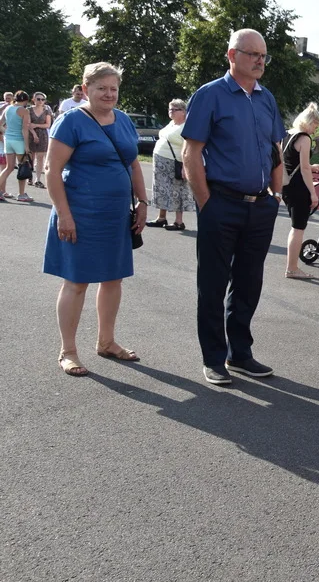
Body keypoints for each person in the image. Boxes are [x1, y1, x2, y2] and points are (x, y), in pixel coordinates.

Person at [181, 28, 287, 386]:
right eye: (252, 54)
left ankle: (240, 354)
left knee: (248, 284)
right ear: (232, 55)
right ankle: (214, 358)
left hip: (259, 207)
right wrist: (205, 202)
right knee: (212, 283)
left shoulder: (266, 98)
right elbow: (190, 152)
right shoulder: (210, 95)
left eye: (263, 56)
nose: (260, 61)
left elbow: (275, 151)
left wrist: (276, 195)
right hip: (221, 203)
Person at [43, 62, 149, 377]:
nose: (108, 94)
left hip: (115, 216)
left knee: (113, 279)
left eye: (113, 88)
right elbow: (51, 170)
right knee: (76, 282)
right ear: (86, 88)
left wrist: (142, 202)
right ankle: (68, 351)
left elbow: (133, 164)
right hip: (79, 214)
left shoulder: (125, 120)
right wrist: (64, 214)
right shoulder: (71, 122)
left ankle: (106, 341)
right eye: (101, 88)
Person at [281, 102, 319, 279]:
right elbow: (304, 169)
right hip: (299, 188)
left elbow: (292, 162)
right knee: (298, 228)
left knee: (296, 227)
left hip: (286, 185)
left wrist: (311, 166)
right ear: (309, 121)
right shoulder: (304, 138)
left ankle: (292, 266)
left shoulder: (287, 135)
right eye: (315, 125)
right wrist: (313, 194)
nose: (314, 130)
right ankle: (292, 268)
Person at [147, 99, 193, 231]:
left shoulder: (186, 126)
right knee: (162, 189)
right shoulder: (172, 124)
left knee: (177, 191)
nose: (170, 112)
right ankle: (161, 218)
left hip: (175, 163)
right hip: (161, 163)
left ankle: (179, 222)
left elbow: (189, 149)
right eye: (169, 109)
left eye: (174, 109)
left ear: (183, 111)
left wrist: (185, 167)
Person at [1, 91, 34, 202]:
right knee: (23, 167)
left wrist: (5, 132)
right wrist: (27, 146)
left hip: (8, 140)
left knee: (8, 167)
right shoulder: (24, 111)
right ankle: (21, 194)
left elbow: (0, 122)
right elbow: (25, 129)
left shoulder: (8, 108)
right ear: (25, 100)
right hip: (19, 140)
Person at [27, 92, 53, 188]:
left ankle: (38, 179)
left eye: (42, 99)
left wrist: (37, 125)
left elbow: (48, 124)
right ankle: (29, 176)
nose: (40, 101)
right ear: (33, 99)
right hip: (31, 134)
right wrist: (34, 134)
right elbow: (28, 124)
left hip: (42, 134)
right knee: (31, 156)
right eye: (38, 99)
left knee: (40, 157)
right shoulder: (29, 110)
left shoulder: (46, 111)